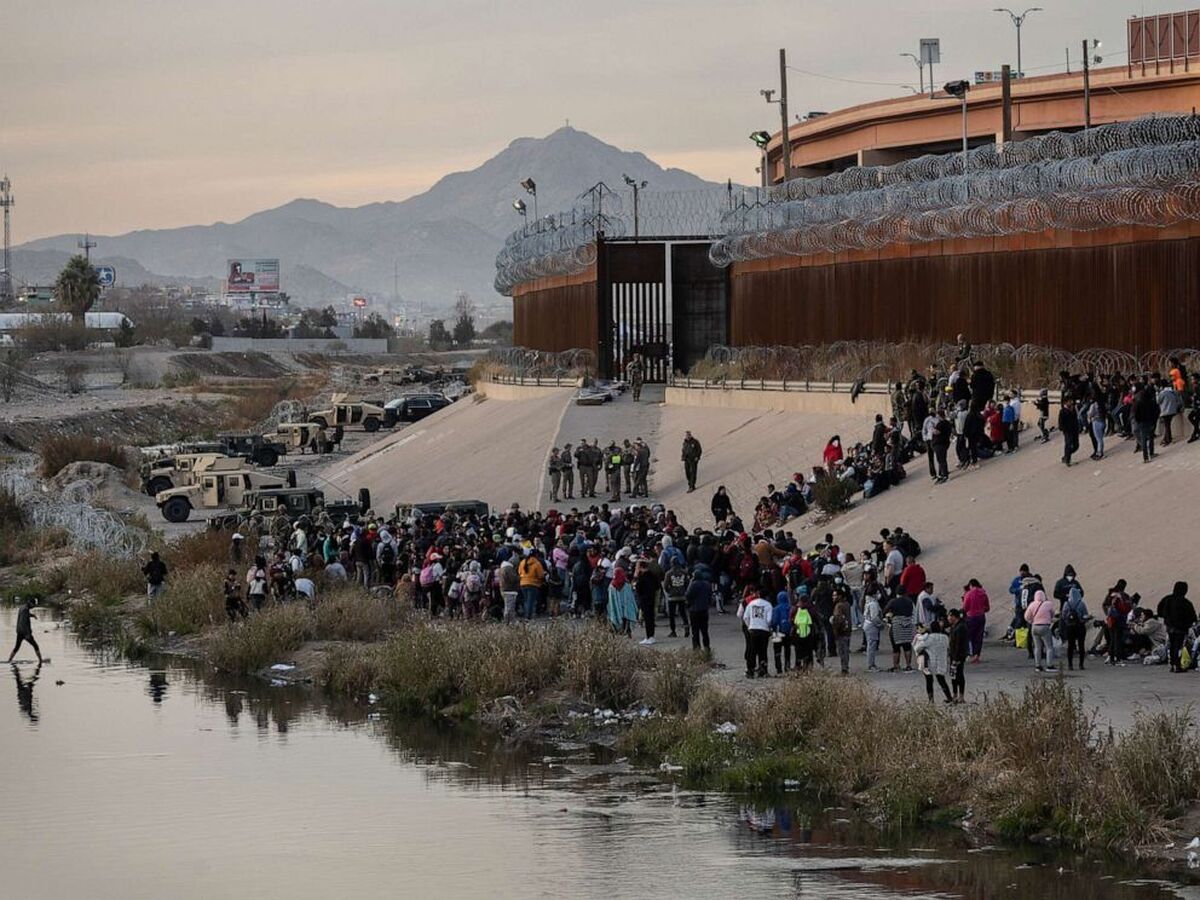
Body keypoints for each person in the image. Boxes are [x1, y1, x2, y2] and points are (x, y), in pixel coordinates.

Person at [1157, 581, 1198, 673]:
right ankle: (1177, 665)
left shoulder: (1167, 599)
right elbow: (1192, 616)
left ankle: (1172, 664)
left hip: (1170, 627)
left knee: (1172, 645)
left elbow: (1160, 609)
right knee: (1179, 646)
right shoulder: (1186, 602)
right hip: (1181, 629)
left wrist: (1166, 619)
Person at [913, 622, 953, 704]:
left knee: (929, 681)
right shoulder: (945, 637)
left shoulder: (929, 638)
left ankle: (931, 700)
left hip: (930, 662)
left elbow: (918, 648)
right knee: (942, 680)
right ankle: (949, 697)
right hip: (942, 661)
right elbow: (949, 648)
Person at [1024, 585, 1056, 672]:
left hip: (1034, 627)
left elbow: (1026, 617)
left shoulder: (1032, 605)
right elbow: (1053, 614)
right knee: (1049, 647)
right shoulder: (1048, 604)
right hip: (1045, 626)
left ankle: (1038, 665)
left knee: (1037, 647)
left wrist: (1031, 621)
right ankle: (1049, 665)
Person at [742, 590, 773, 678]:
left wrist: (749, 626)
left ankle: (750, 670)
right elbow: (769, 619)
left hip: (753, 630)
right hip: (764, 631)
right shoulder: (768, 605)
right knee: (763, 651)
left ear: (758, 595)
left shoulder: (751, 604)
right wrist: (768, 627)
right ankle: (763, 670)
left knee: (752, 651)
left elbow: (745, 617)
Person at [1061, 578, 1089, 670]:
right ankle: (1081, 664)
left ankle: (1070, 665)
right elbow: (1085, 615)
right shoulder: (1081, 604)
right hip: (1080, 626)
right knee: (1081, 646)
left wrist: (1067, 622)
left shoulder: (1066, 604)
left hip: (1070, 627)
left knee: (1070, 646)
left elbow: (1063, 615)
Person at [961, 578, 990, 662]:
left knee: (970, 636)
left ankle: (971, 654)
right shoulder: (983, 593)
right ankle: (977, 655)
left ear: (970, 585)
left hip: (971, 617)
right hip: (981, 617)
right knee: (979, 636)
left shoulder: (968, 594)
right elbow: (987, 607)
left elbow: (965, 607)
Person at [634, 557, 661, 645]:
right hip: (652, 598)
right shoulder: (652, 575)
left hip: (645, 599)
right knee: (651, 618)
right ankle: (651, 636)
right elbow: (657, 586)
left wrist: (636, 576)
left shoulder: (642, 577)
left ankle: (649, 636)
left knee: (647, 618)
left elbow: (638, 588)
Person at [6, 598, 43, 664]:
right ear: (30, 603)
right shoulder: (25, 609)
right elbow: (23, 622)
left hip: (19, 631)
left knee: (17, 647)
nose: (33, 606)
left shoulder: (22, 607)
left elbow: (25, 616)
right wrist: (28, 634)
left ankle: (9, 660)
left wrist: (32, 615)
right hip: (25, 632)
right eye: (33, 605)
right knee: (35, 645)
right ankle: (41, 661)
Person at [686, 565, 713, 652]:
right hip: (704, 610)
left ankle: (696, 648)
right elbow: (710, 597)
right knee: (705, 631)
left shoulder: (693, 585)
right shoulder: (707, 584)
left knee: (695, 631)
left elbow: (688, 595)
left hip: (694, 610)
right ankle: (707, 647)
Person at [663, 557, 689, 638]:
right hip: (682, 595)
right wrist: (684, 591)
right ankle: (686, 627)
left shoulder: (668, 573)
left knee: (671, 615)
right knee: (683, 613)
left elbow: (665, 585)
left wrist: (669, 592)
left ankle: (673, 631)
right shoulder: (684, 572)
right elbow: (687, 583)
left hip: (672, 596)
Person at [607, 567, 637, 636]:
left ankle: (618, 631)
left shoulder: (612, 585)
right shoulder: (627, 585)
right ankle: (627, 632)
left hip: (617, 607)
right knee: (626, 619)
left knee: (616, 617)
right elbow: (631, 597)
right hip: (626, 607)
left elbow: (611, 599)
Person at [517, 550, 545, 621]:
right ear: (536, 555)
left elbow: (519, 572)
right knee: (530, 601)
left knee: (526, 600)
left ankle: (526, 614)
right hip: (533, 584)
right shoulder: (537, 563)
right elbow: (540, 575)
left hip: (523, 583)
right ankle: (528, 616)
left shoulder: (523, 562)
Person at [770, 590, 793, 674]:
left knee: (777, 651)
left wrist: (772, 629)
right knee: (787, 650)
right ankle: (787, 666)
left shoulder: (776, 608)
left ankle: (778, 668)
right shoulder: (790, 607)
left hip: (777, 632)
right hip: (788, 632)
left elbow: (774, 621)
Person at [947, 608, 968, 703]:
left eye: (950, 616)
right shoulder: (953, 626)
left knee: (959, 675)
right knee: (953, 675)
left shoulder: (961, 627)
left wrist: (956, 658)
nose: (948, 618)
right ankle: (954, 694)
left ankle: (961, 695)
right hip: (953, 654)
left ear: (954, 617)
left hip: (958, 655)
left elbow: (959, 644)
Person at [831, 587, 852, 675]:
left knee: (842, 651)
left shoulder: (839, 606)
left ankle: (844, 669)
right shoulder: (847, 604)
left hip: (841, 631)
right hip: (847, 630)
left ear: (840, 596)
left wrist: (834, 625)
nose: (833, 597)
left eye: (835, 595)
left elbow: (838, 619)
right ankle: (845, 667)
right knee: (846, 650)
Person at [862, 586, 884, 672]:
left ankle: (872, 664)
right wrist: (880, 625)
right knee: (871, 646)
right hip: (872, 626)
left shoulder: (869, 602)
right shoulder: (873, 604)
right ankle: (870, 665)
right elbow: (874, 617)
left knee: (871, 645)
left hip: (868, 625)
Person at [1058, 397, 1080, 466]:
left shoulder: (1073, 409)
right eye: (1069, 401)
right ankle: (1068, 460)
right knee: (1068, 444)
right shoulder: (1062, 411)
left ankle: (1066, 456)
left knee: (1076, 445)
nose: (1071, 402)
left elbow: (1076, 419)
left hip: (1075, 430)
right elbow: (1060, 422)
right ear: (1065, 403)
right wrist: (1064, 429)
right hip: (1068, 431)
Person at [499, 559, 519, 624]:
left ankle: (509, 621)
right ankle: (509, 621)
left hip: (504, 589)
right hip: (509, 590)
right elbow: (513, 579)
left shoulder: (503, 568)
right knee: (510, 607)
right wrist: (520, 577)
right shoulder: (508, 569)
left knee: (508, 606)